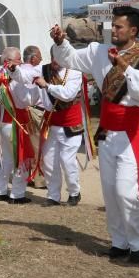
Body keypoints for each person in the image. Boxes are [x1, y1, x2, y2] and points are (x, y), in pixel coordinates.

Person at [52, 5, 139, 263]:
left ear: (133, 30)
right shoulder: (99, 51)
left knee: (125, 191)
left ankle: (137, 243)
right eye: (113, 25)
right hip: (108, 132)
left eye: (119, 26)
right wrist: (60, 43)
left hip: (131, 134)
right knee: (110, 191)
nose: (114, 30)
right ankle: (119, 242)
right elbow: (70, 59)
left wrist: (124, 66)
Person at [29, 54, 84, 206]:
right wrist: (15, 69)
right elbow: (26, 73)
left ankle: (74, 192)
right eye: (54, 57)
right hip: (51, 124)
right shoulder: (44, 69)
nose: (55, 61)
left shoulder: (75, 72)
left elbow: (68, 95)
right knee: (49, 160)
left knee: (67, 161)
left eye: (59, 58)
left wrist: (47, 85)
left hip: (71, 124)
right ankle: (53, 196)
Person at [0, 47, 35, 204]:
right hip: (14, 122)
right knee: (21, 158)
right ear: (9, 61)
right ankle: (17, 193)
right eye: (18, 59)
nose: (21, 62)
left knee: (7, 159)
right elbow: (25, 100)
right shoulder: (15, 77)